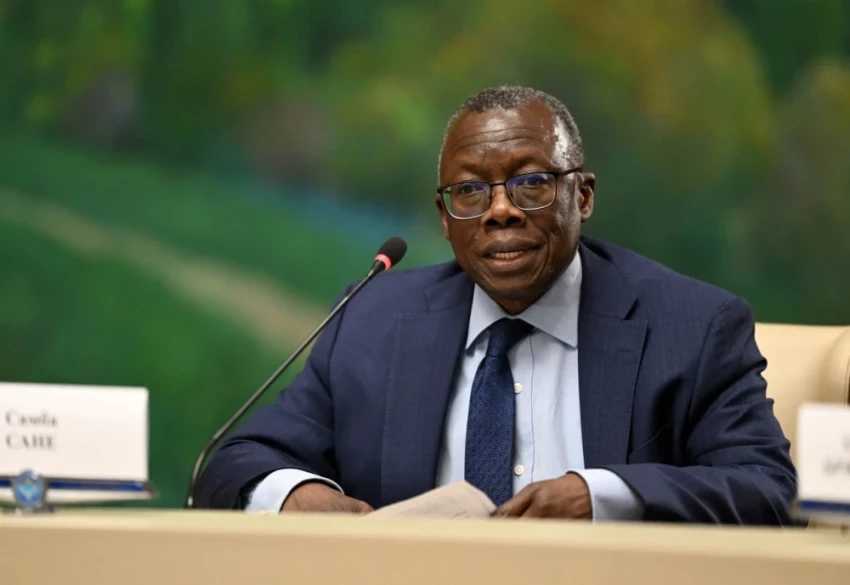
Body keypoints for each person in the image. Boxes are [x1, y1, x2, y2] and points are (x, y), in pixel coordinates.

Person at [193, 85, 796, 524]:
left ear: (582, 197)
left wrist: (601, 496)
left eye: (530, 183)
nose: (500, 210)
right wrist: (295, 495)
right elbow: (236, 463)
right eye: (470, 191)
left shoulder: (691, 326)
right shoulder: (373, 320)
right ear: (445, 217)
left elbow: (764, 488)